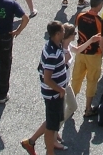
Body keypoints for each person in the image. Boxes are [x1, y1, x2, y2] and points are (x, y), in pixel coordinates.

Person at [20, 21, 70, 155]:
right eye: (63, 31)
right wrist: (61, 90)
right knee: (51, 127)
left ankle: (30, 142)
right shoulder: (52, 52)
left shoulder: (54, 45)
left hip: (56, 93)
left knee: (52, 120)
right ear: (57, 34)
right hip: (53, 94)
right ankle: (49, 152)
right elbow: (47, 79)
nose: (64, 33)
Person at [71, 0, 103, 119]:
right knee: (92, 80)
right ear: (100, 5)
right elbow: (102, 40)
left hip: (80, 52)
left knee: (76, 79)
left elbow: (74, 29)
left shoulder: (80, 16)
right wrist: (102, 52)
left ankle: (70, 105)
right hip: (93, 55)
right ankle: (87, 109)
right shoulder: (100, 21)